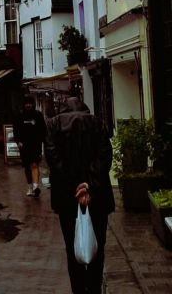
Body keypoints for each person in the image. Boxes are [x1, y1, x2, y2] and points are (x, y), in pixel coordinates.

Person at [44, 97, 115, 294]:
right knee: (97, 246)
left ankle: (78, 289)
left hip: (67, 198)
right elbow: (104, 156)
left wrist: (75, 187)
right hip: (97, 196)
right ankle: (94, 288)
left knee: (72, 246)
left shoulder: (53, 125)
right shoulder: (97, 123)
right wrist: (88, 186)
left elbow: (53, 159)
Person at [13, 95, 46, 197]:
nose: (28, 105)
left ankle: (36, 187)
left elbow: (43, 129)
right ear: (24, 104)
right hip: (24, 146)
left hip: (35, 145)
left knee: (35, 164)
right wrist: (18, 141)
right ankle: (30, 187)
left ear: (33, 104)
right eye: (26, 103)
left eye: (30, 103)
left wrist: (43, 141)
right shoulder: (19, 116)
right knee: (27, 167)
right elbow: (16, 130)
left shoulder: (38, 115)